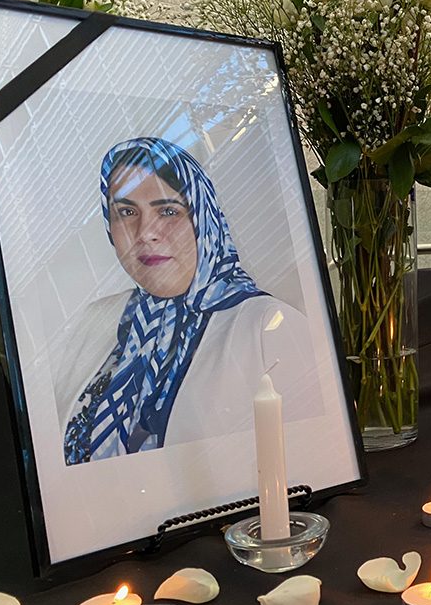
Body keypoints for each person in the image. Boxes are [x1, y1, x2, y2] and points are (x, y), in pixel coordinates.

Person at [58, 138, 314, 465]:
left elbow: (306, 466)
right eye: (125, 211)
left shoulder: (269, 327)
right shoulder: (95, 321)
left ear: (203, 219)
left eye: (168, 210)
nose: (145, 233)